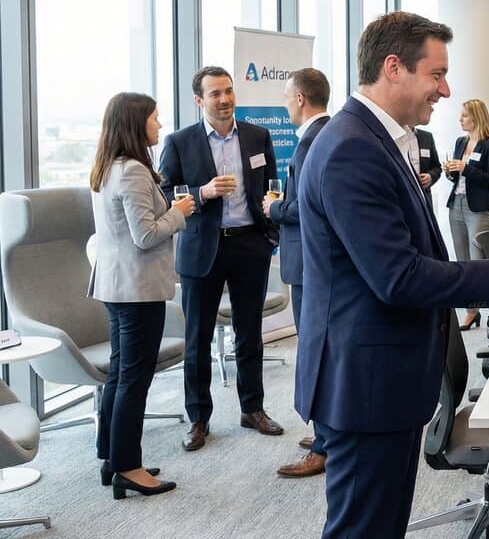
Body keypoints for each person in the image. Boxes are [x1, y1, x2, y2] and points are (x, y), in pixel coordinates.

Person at [294, 11, 489, 539]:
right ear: (394, 68)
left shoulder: (380, 139)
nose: (446, 90)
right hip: (363, 383)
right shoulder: (350, 150)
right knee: (363, 529)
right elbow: (398, 277)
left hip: (386, 377)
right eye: (437, 74)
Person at [159, 66, 283, 452]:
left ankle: (253, 408)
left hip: (250, 244)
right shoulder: (179, 142)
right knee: (196, 338)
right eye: (215, 94)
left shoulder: (257, 135)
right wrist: (203, 192)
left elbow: (272, 187)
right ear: (200, 100)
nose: (224, 99)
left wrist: (270, 235)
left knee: (250, 334)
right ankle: (198, 419)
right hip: (202, 248)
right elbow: (164, 197)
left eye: (228, 91)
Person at [88, 93, 194, 499]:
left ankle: (112, 457)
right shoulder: (132, 170)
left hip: (116, 285)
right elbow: (146, 234)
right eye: (153, 118)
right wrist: (181, 210)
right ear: (135, 123)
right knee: (134, 378)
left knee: (119, 373)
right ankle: (129, 468)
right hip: (136, 288)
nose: (160, 123)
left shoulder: (107, 167)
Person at [265, 68, 331, 479]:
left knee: (314, 352)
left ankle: (325, 445)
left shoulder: (311, 142)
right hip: (311, 262)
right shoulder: (325, 134)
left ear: (302, 98)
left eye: (287, 96)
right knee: (315, 349)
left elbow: (306, 208)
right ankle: (326, 433)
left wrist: (272, 207)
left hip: (309, 263)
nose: (285, 104)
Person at [445, 98, 489, 331]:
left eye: (465, 116)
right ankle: (471, 310)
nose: (460, 120)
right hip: (456, 205)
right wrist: (450, 171)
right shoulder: (461, 142)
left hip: (478, 208)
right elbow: (458, 177)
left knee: (479, 260)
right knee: (462, 260)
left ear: (476, 118)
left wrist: (465, 168)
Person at [414, 127, 441, 208]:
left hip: (424, 197)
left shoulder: (426, 136)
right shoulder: (391, 135)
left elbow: (437, 167)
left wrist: (430, 176)